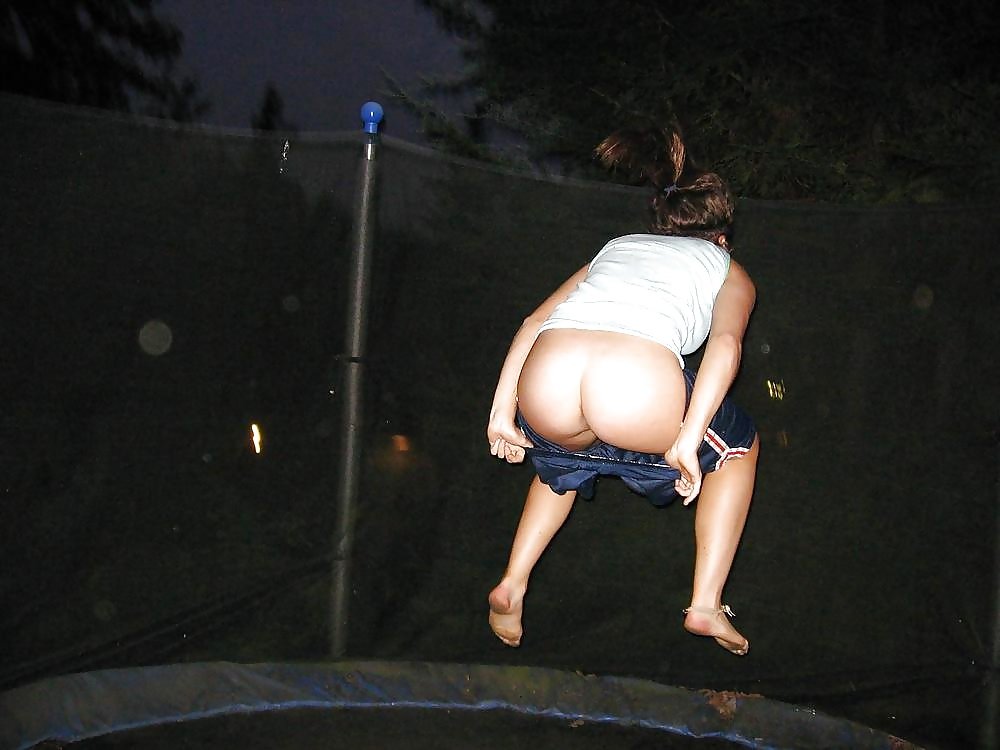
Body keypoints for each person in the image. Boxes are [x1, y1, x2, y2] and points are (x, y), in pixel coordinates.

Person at [485, 126, 759, 656]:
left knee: (562, 463)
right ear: (721, 236)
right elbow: (725, 347)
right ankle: (705, 603)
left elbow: (533, 322)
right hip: (632, 381)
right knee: (739, 449)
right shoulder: (728, 267)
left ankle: (513, 582)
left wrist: (502, 412)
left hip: (547, 381)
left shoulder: (616, 248)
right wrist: (689, 440)